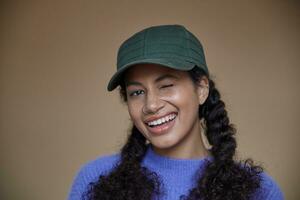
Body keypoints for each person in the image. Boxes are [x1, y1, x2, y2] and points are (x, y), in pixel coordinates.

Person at [68, 25, 284, 200]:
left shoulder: (259, 191)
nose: (151, 105)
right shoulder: (95, 178)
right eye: (137, 92)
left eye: (166, 85)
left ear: (201, 89)